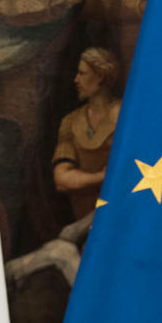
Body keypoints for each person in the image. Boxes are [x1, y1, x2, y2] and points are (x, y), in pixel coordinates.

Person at [51, 47, 121, 219]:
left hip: (122, 215)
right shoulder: (71, 121)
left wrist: (85, 179)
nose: (76, 80)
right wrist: (101, 177)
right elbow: (61, 179)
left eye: (82, 74)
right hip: (83, 220)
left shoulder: (127, 116)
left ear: (100, 76)